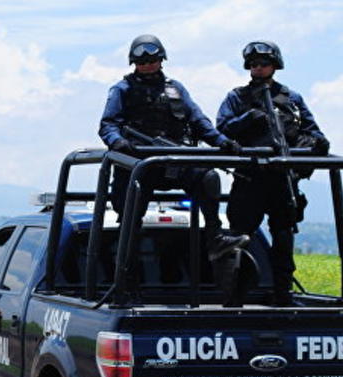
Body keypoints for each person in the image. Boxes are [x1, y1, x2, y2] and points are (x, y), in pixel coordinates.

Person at [99, 35, 248, 265]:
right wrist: (118, 142)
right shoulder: (122, 89)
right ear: (133, 62)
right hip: (138, 165)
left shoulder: (175, 89)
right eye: (142, 61)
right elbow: (107, 125)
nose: (147, 64)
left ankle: (215, 238)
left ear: (161, 60)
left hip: (173, 161)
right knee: (130, 221)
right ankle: (126, 278)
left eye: (152, 60)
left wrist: (223, 142)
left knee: (208, 177)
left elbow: (199, 121)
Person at [217, 41, 329, 306]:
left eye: (263, 64)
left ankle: (284, 296)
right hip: (250, 179)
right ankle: (234, 298)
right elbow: (220, 129)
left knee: (283, 238)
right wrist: (248, 119)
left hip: (283, 180)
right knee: (239, 241)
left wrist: (316, 145)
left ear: (274, 65)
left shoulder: (291, 99)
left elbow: (313, 132)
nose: (258, 69)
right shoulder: (237, 97)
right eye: (253, 65)